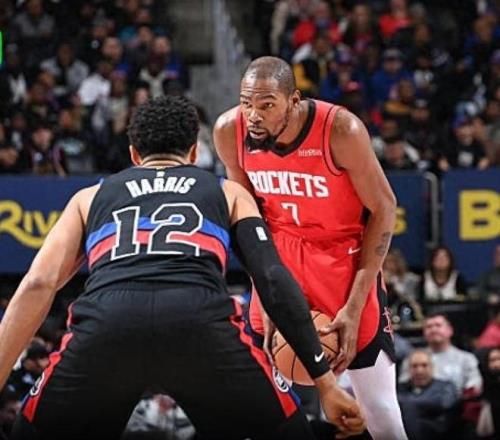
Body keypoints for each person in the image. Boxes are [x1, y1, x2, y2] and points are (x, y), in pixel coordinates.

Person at [0, 96, 364, 440]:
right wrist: (325, 384)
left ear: (133, 154)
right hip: (199, 322)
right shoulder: (228, 192)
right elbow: (272, 279)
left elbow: (38, 284)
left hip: (108, 324)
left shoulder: (89, 197)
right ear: (193, 152)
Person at [214, 56, 407, 439]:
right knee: (254, 410)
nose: (254, 115)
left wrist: (355, 306)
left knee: (381, 413)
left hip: (342, 260)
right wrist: (266, 296)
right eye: (247, 103)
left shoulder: (341, 130)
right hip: (279, 260)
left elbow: (384, 209)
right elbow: (246, 219)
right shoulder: (229, 131)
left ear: (294, 100)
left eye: (267, 105)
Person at [397, 350, 458, 440]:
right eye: (414, 366)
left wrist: (408, 403)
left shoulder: (446, 386)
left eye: (424, 365)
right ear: (408, 369)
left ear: (432, 367)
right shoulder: (399, 388)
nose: (419, 371)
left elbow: (444, 403)